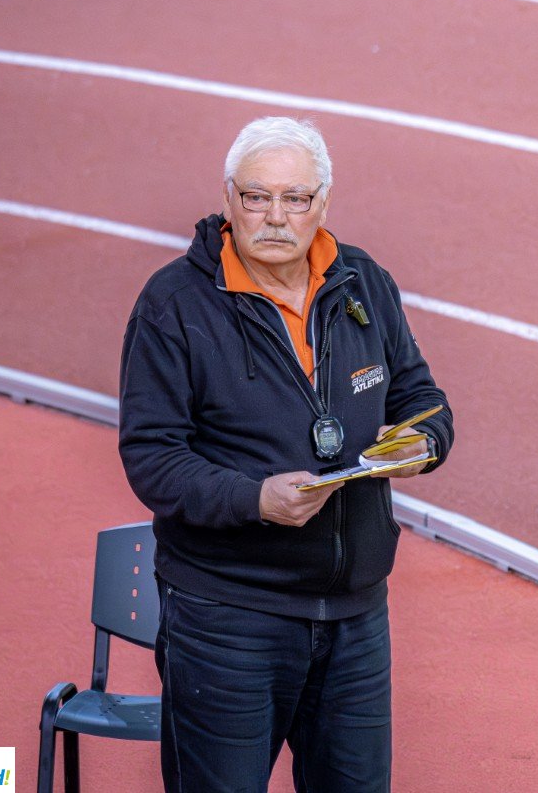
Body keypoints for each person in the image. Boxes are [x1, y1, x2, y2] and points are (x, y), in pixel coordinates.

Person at [119, 116, 453, 792]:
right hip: (228, 621)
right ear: (227, 199)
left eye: (295, 198)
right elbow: (152, 457)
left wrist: (424, 442)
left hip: (356, 618)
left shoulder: (365, 282)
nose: (275, 217)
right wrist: (256, 500)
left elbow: (421, 397)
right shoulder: (173, 305)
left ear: (322, 203)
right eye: (255, 197)